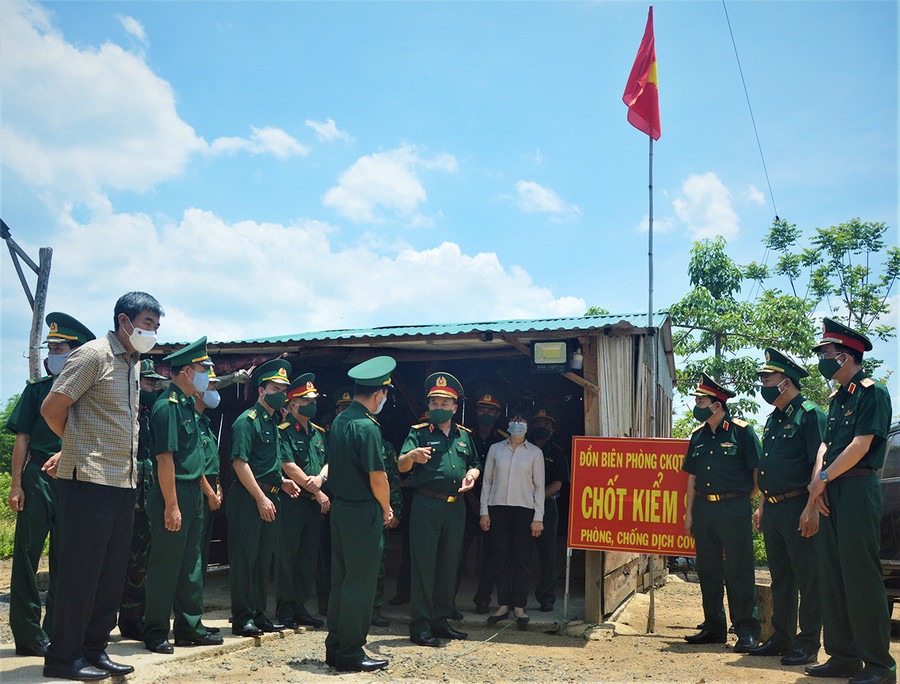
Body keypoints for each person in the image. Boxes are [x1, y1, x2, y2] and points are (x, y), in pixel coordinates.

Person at [40, 291, 163, 681]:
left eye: (157, 327)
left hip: (122, 481)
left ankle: (94, 649)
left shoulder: (134, 364)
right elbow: (51, 409)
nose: (153, 333)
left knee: (110, 575)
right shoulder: (93, 355)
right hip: (89, 480)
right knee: (81, 574)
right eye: (148, 325)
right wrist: (75, 449)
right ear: (124, 321)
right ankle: (63, 657)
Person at [805, 319, 896, 684]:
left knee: (861, 578)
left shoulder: (874, 392)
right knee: (833, 576)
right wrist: (818, 480)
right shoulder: (836, 398)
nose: (823, 360)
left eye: (827, 354)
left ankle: (878, 666)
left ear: (845, 356)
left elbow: (860, 445)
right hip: (831, 490)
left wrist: (824, 478)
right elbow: (827, 445)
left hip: (858, 489)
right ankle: (843, 657)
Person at [7, 313, 94, 658]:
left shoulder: (87, 394)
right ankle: (27, 634)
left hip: (74, 477)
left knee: (66, 557)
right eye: (51, 348)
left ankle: (56, 631)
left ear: (75, 354)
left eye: (59, 348)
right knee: (27, 555)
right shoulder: (37, 391)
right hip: (38, 477)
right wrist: (16, 485)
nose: (52, 354)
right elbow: (23, 438)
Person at [141, 338, 223, 653]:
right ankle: (156, 631)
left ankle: (190, 627)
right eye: (204, 369)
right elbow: (165, 460)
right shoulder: (167, 407)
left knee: (192, 564)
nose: (207, 375)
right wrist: (172, 506)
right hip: (170, 494)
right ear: (187, 371)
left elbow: (193, 460)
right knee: (165, 565)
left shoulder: (188, 407)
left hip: (191, 494)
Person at [748, 349, 824, 665]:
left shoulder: (809, 414)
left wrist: (812, 507)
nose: (763, 383)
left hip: (799, 506)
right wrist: (763, 505)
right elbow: (770, 468)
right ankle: (782, 638)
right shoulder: (773, 419)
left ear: (786, 381)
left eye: (768, 378)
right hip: (775, 508)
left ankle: (807, 644)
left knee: (808, 578)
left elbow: (819, 465)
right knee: (780, 578)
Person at [324, 356, 395, 673]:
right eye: (385, 393)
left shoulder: (340, 421)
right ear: (379, 393)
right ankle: (351, 652)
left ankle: (336, 647)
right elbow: (377, 477)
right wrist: (386, 507)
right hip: (362, 512)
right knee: (360, 584)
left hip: (340, 509)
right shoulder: (367, 427)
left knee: (341, 581)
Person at [399, 372, 480, 647]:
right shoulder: (418, 433)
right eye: (434, 403)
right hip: (426, 505)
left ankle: (441, 622)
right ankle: (419, 626)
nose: (438, 408)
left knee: (448, 565)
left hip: (454, 507)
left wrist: (472, 476)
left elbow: (475, 463)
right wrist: (411, 456)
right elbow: (400, 466)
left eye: (444, 404)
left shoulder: (464, 436)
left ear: (455, 408)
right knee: (424, 565)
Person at [681, 372, 761, 653]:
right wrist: (689, 513)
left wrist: (743, 500)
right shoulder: (698, 436)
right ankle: (714, 627)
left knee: (740, 569)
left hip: (733, 507)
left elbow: (757, 473)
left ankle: (747, 630)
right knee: (708, 569)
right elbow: (691, 478)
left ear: (716, 405)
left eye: (701, 399)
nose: (696, 404)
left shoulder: (742, 431)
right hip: (703, 508)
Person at [227, 359, 299, 637]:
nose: (280, 393)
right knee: (245, 559)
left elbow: (266, 464)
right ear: (261, 390)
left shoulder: (272, 422)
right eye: (275, 387)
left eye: (284, 388)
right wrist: (259, 497)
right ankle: (242, 618)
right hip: (249, 499)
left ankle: (259, 614)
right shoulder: (248, 422)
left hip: (270, 497)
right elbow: (240, 463)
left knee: (261, 560)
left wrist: (282, 481)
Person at [480, 406, 544, 630]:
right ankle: (503, 605)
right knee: (501, 558)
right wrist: (484, 512)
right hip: (498, 509)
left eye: (521, 421)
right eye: (514, 420)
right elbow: (487, 482)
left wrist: (539, 518)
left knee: (521, 560)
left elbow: (539, 487)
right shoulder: (496, 450)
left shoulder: (535, 453)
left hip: (524, 511)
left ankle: (519, 607)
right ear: (508, 425)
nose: (517, 425)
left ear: (527, 426)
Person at [117, 359, 167, 641]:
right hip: (120, 498)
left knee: (139, 563)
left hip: (146, 501)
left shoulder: (150, 415)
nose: (153, 387)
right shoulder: (120, 412)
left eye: (154, 383)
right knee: (113, 563)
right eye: (149, 382)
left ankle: (132, 619)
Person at [276, 373, 330, 629]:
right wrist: (316, 490)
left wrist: (320, 478)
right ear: (294, 404)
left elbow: (328, 462)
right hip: (293, 502)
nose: (313, 404)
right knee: (289, 557)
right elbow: (287, 465)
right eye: (307, 400)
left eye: (314, 399)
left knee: (308, 558)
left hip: (312, 506)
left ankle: (300, 607)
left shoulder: (319, 433)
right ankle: (285, 609)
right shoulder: (284, 432)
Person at [461, 389, 507, 614]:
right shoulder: (465, 436)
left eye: (491, 410)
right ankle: (447, 601)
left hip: (494, 505)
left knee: (492, 554)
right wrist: (472, 500)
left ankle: (483, 600)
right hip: (468, 501)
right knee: (458, 552)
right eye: (482, 409)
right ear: (476, 411)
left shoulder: (504, 440)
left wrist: (486, 506)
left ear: (498, 415)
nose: (486, 413)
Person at [529, 406, 569, 612]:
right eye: (537, 423)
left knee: (548, 554)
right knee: (521, 552)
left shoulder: (558, 452)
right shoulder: (522, 448)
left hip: (547, 506)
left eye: (546, 424)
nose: (541, 427)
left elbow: (558, 484)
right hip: (523, 506)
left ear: (553, 429)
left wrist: (535, 499)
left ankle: (546, 597)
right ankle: (515, 597)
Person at [372, 437, 402, 627]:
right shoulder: (342, 438)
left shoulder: (386, 447)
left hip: (381, 511)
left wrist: (395, 510)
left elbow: (393, 480)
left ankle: (374, 609)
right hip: (354, 509)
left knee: (378, 564)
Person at [196, 369, 222, 580]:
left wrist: (218, 488)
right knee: (194, 552)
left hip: (211, 492)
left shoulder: (205, 422)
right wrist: (210, 494)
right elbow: (194, 465)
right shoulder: (192, 421)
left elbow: (211, 462)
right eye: (212, 387)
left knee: (203, 551)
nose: (215, 391)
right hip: (198, 493)